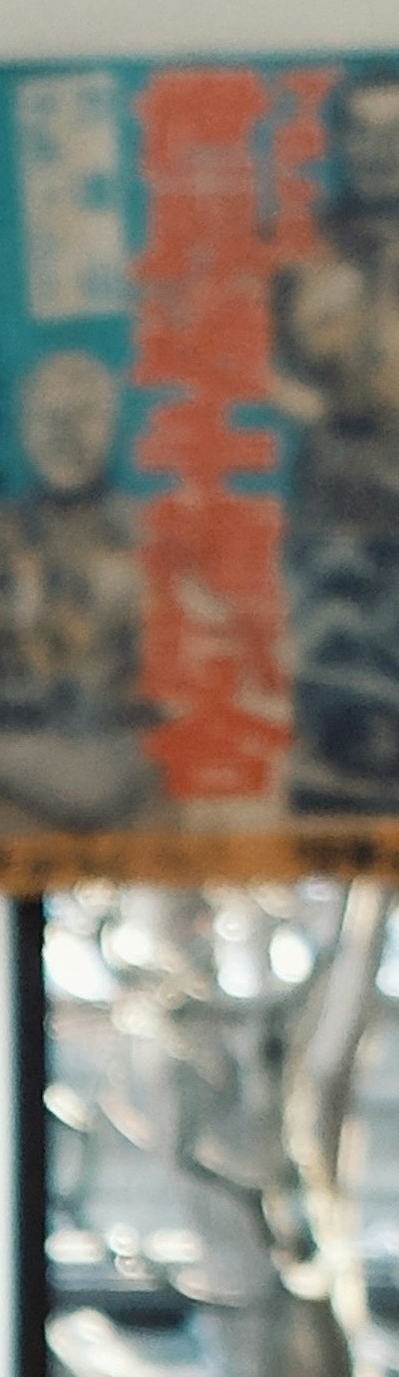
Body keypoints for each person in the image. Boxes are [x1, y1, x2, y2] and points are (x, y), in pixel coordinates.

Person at [0, 342, 156, 837]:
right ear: (22, 428)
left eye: (85, 415)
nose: (66, 435)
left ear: (114, 423)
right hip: (10, 787)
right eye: (48, 416)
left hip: (125, 786)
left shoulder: (155, 541)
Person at [278, 69, 399, 819]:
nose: (381, 152)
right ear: (341, 144)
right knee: (338, 653)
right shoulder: (309, 254)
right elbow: (271, 369)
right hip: (340, 488)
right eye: (365, 133)